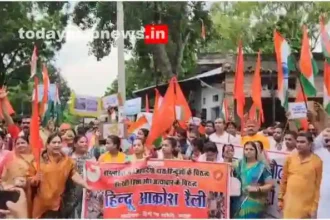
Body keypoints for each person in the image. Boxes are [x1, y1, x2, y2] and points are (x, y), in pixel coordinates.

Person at [30, 133, 90, 218]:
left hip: (58, 204)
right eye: (54, 142)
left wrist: (85, 184)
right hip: (41, 204)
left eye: (59, 142)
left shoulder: (67, 161)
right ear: (47, 145)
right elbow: (30, 180)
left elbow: (74, 174)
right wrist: (34, 180)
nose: (57, 145)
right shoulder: (38, 161)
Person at [278, 132, 323, 218]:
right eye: (298, 142)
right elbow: (283, 180)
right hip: (289, 205)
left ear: (310, 144)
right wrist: (280, 199)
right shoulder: (290, 158)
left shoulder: (317, 162)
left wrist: (314, 207)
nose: (298, 144)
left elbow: (318, 186)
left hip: (306, 208)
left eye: (302, 142)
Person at [232, 141, 274, 218]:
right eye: (246, 149)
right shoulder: (239, 164)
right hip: (238, 201)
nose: (248, 151)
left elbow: (270, 184)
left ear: (256, 151)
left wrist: (257, 189)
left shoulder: (262, 167)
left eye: (251, 149)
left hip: (254, 202)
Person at [62, 135, 96, 218]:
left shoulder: (91, 158)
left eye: (86, 142)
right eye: (81, 142)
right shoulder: (67, 155)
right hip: (68, 190)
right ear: (75, 144)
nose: (84, 144)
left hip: (84, 191)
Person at [1, 135, 35, 217]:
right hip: (12, 195)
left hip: (31, 195)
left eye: (23, 143)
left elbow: (39, 176)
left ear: (28, 144)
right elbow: (3, 178)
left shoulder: (35, 160)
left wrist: (26, 181)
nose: (20, 145)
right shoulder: (10, 160)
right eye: (18, 143)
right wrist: (7, 186)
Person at [314, 130, 330, 218]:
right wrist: (322, 134)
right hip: (323, 200)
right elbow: (311, 146)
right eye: (326, 141)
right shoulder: (321, 153)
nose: (328, 143)